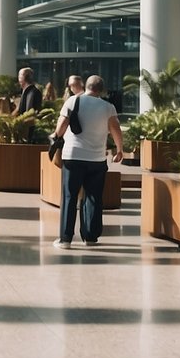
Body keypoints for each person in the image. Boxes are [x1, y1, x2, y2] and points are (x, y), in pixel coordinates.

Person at [51, 75, 123, 249]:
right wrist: (120, 150)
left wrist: (54, 139)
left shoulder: (73, 101)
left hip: (73, 157)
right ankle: (90, 237)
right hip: (97, 159)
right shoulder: (108, 107)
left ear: (86, 86)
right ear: (102, 90)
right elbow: (115, 129)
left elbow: (61, 128)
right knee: (93, 197)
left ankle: (66, 239)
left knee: (70, 196)